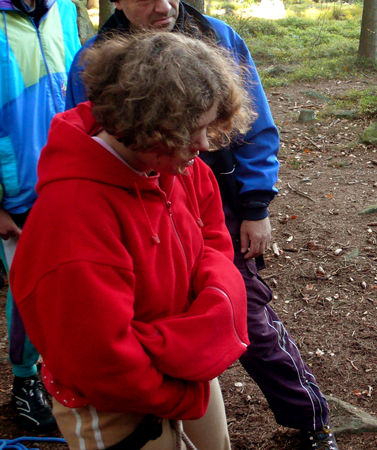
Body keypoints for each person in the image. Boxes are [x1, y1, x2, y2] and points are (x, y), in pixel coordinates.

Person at [65, 1, 338, 449]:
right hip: (136, 220)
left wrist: (256, 205)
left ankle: (310, 419)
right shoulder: (93, 61)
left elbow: (255, 127)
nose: (164, 5)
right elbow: (93, 145)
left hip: (220, 206)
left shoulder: (218, 37)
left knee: (248, 317)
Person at [10, 32, 251, 449]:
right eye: (192, 131)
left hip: (182, 368)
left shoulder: (178, 164)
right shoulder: (73, 218)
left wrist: (192, 336)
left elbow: (214, 247)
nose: (203, 145)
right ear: (145, 124)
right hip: (111, 400)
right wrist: (181, 390)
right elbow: (99, 360)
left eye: (208, 127)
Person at [0, 0, 80, 431]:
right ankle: (25, 379)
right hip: (16, 191)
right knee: (27, 290)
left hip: (72, 174)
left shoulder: (65, 9)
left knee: (74, 277)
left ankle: (69, 368)